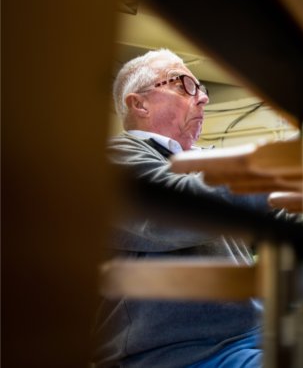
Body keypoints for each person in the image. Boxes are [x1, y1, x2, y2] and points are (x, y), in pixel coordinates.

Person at [93, 49, 272, 368]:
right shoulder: (115, 159)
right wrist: (274, 168)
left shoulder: (201, 160)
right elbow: (178, 210)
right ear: (139, 103)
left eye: (201, 89)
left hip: (251, 332)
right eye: (185, 85)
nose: (202, 98)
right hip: (179, 351)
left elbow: (275, 214)